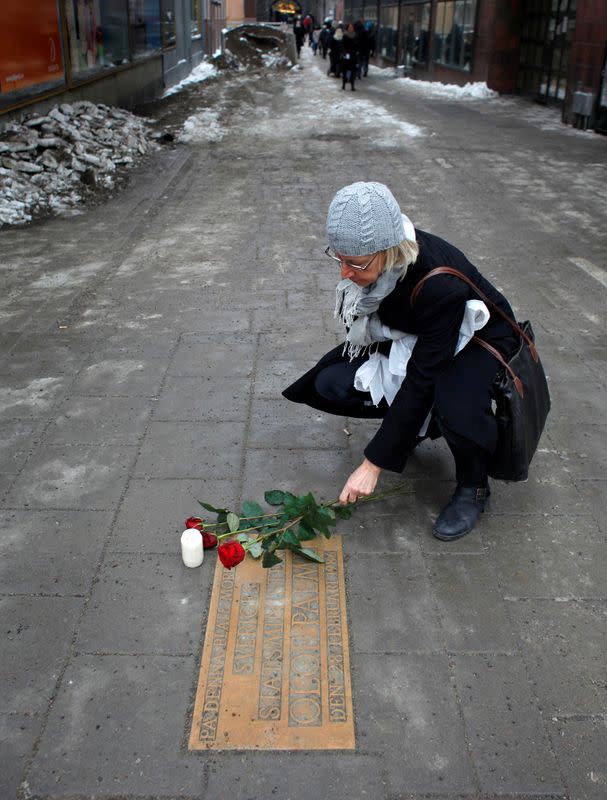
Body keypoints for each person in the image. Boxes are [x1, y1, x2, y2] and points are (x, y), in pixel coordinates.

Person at [283, 182, 519, 541]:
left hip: (479, 336)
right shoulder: (381, 266)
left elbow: (423, 377)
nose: (344, 273)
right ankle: (417, 428)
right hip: (419, 335)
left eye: (355, 263)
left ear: (388, 250)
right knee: (330, 382)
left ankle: (474, 485)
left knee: (452, 403)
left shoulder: (438, 285)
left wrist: (372, 464)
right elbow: (382, 329)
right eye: (339, 258)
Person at [340, 23, 359, 90]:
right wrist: (344, 52)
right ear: (347, 28)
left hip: (353, 55)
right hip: (346, 55)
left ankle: (352, 85)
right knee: (345, 70)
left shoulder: (355, 36)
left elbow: (357, 45)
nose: (351, 28)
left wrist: (357, 51)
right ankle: (344, 84)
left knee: (353, 70)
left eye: (352, 27)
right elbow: (342, 45)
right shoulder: (345, 36)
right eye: (350, 27)